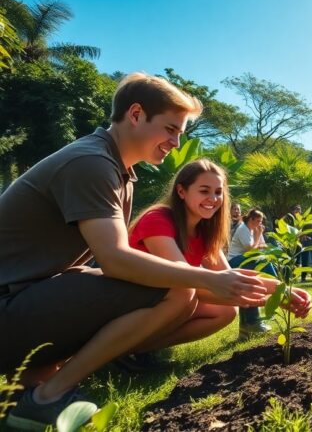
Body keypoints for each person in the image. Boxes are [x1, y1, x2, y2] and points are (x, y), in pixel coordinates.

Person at [0, 73, 278, 429]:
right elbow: (115, 260)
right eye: (170, 129)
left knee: (183, 290)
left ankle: (43, 379)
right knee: (180, 289)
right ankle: (44, 399)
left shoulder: (118, 170)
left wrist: (277, 292)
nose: (176, 143)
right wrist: (207, 277)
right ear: (135, 114)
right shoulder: (92, 163)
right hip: (10, 306)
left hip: (27, 299)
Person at [129, 160, 312, 347]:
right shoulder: (158, 219)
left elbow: (228, 277)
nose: (213, 198)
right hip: (129, 299)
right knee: (187, 292)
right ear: (181, 191)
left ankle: (143, 348)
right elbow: (187, 283)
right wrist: (273, 297)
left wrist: (281, 290)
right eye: (204, 191)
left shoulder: (205, 230)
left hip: (165, 298)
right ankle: (130, 344)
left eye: (218, 192)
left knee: (227, 311)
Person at [228, 209, 277, 336]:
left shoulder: (257, 229)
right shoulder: (243, 228)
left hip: (248, 260)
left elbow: (263, 246)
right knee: (262, 260)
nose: (260, 224)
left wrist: (258, 240)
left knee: (251, 286)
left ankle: (247, 327)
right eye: (258, 221)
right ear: (251, 219)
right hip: (236, 261)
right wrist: (257, 239)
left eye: (261, 221)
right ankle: (275, 283)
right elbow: (251, 251)